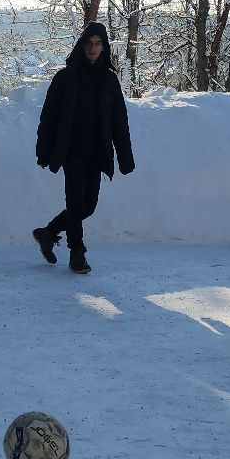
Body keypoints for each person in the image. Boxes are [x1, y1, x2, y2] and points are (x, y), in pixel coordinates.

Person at [32, 21, 135, 274]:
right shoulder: (65, 78)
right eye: (89, 43)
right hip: (72, 151)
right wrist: (44, 152)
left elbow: (119, 122)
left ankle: (48, 233)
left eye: (98, 44)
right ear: (82, 45)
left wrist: (125, 157)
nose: (93, 48)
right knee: (76, 204)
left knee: (87, 207)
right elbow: (49, 117)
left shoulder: (109, 81)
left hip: (97, 152)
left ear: (104, 48)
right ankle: (77, 253)